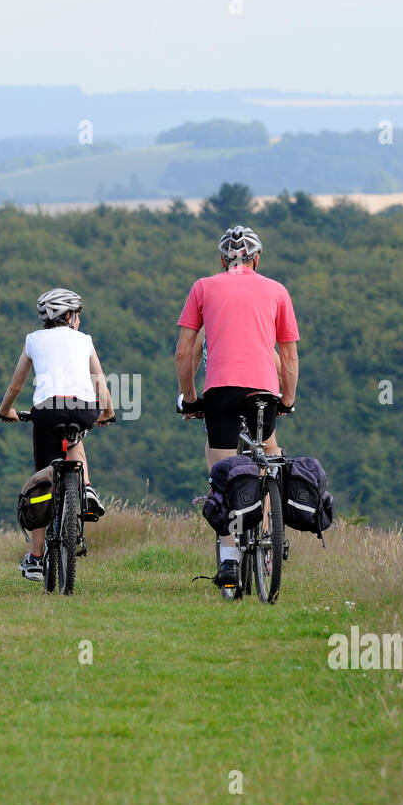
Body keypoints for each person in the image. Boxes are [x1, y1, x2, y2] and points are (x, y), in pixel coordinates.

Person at [174, 226, 300, 589]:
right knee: (270, 454)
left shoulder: (203, 287)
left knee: (224, 470)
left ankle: (229, 557)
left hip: (221, 393)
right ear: (257, 259)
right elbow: (287, 355)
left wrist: (190, 397)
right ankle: (267, 531)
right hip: (263, 392)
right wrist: (287, 399)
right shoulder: (277, 291)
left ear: (222, 260)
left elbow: (185, 352)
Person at [0, 288, 115, 582]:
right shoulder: (84, 340)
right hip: (83, 408)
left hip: (47, 411)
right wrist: (107, 412)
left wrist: (6, 410)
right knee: (75, 441)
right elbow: (99, 380)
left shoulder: (34, 340)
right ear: (70, 316)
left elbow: (16, 385)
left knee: (43, 481)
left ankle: (36, 559)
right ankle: (86, 488)